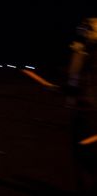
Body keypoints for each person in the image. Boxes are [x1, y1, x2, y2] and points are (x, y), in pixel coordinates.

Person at [66, 17, 97, 193]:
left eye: (88, 29)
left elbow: (85, 84)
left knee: (88, 158)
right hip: (80, 111)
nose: (84, 32)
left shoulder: (91, 54)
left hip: (90, 113)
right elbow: (75, 80)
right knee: (80, 158)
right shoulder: (82, 52)